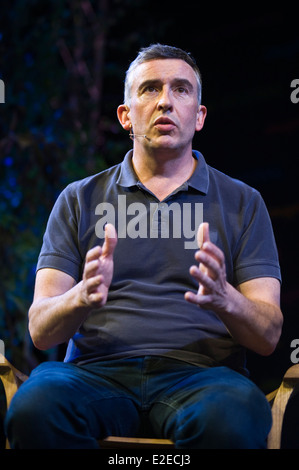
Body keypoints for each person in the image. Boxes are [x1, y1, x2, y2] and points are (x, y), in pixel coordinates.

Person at [5, 44, 283, 449]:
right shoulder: (78, 199)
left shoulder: (243, 202)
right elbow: (41, 331)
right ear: (125, 115)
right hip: (92, 374)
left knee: (233, 415)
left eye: (182, 90)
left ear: (199, 116)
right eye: (150, 89)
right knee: (36, 408)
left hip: (204, 378)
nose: (166, 102)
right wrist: (82, 295)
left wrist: (225, 298)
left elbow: (268, 336)